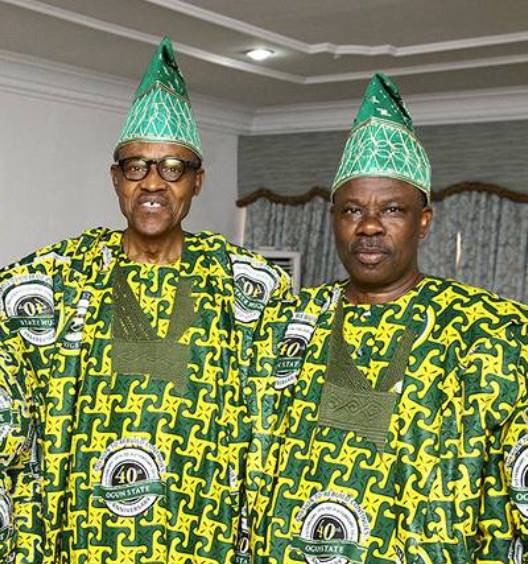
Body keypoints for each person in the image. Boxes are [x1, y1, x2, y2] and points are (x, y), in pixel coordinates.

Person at [0, 37, 289, 562]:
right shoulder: (58, 279)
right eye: (136, 166)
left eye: (172, 167)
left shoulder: (250, 289)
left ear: (197, 182)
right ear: (116, 178)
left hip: (204, 537)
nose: (153, 182)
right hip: (83, 535)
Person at [245, 73, 528, 563]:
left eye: (392, 209)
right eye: (352, 209)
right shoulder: (287, 326)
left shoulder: (490, 333)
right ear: (332, 219)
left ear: (423, 220)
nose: (370, 225)